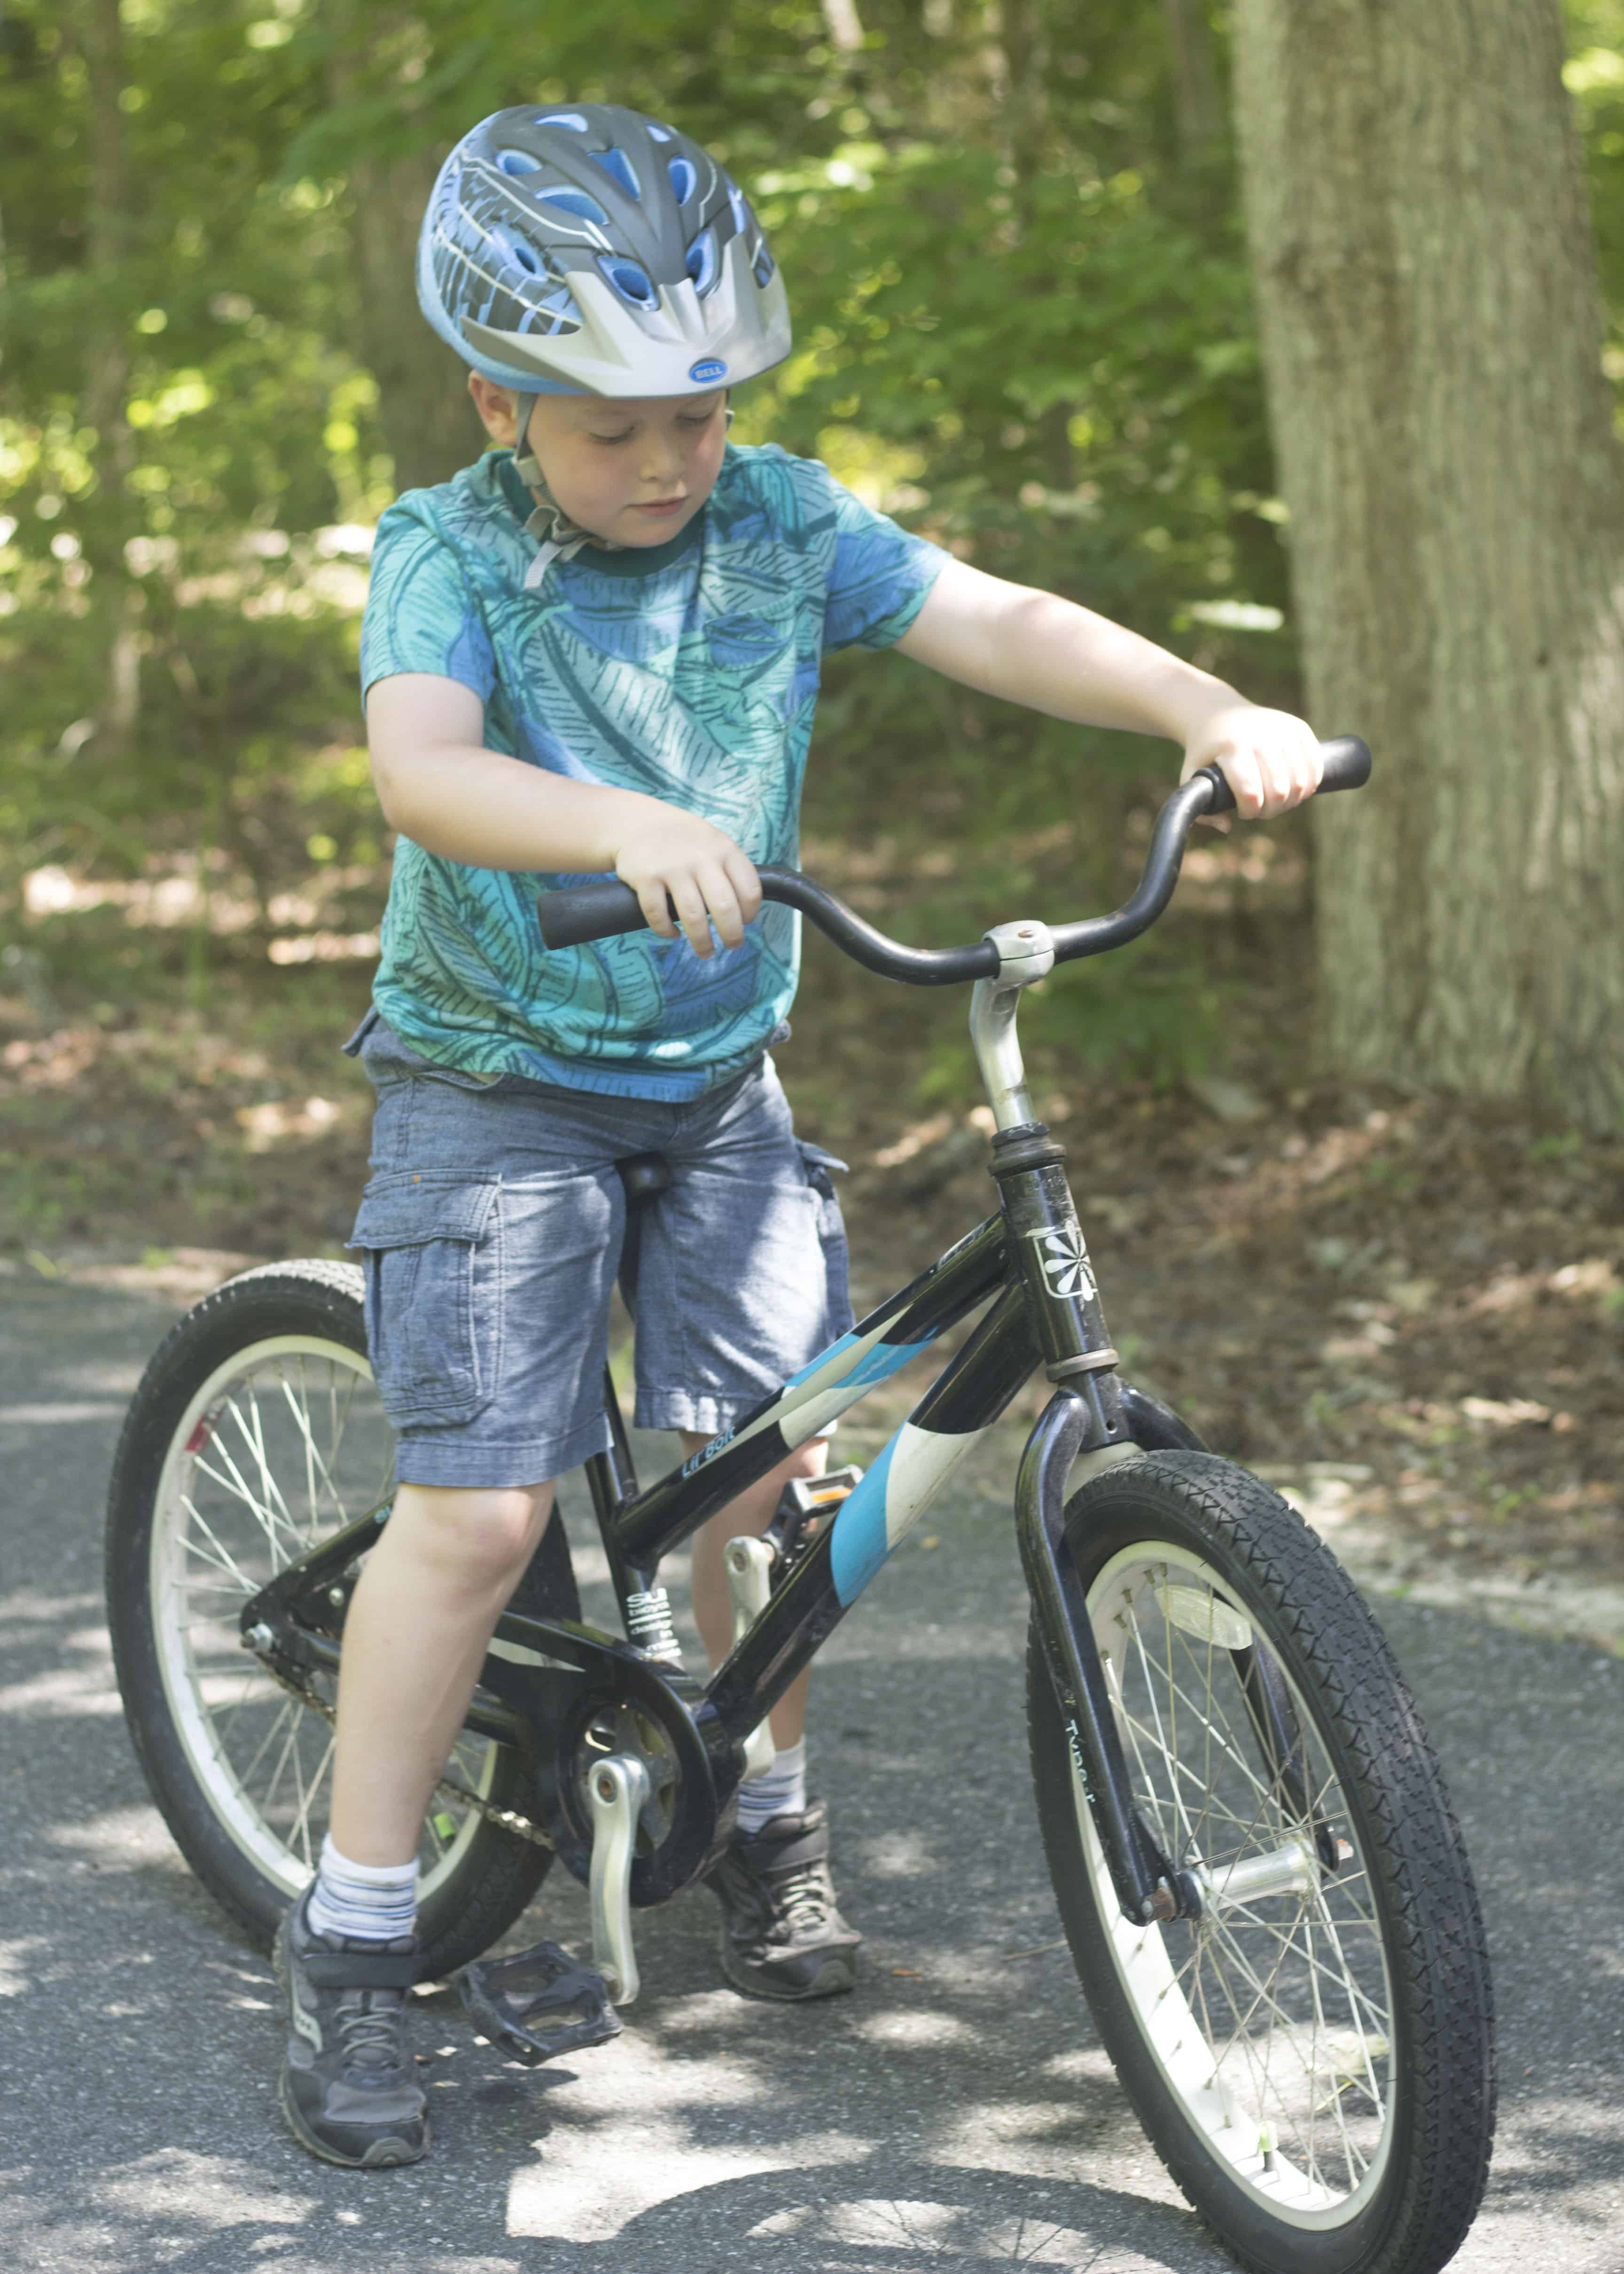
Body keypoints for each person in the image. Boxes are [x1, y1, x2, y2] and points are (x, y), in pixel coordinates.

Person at [275, 101, 1324, 2171]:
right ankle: (359, 1918)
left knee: (769, 1464)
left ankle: (762, 1808)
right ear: (498, 398)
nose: (671, 456)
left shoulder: (777, 522)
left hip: (717, 1072)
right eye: (611, 423)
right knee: (482, 1522)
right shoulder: (454, 547)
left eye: (702, 406)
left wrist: (1209, 708)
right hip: (498, 1079)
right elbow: (424, 767)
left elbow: (994, 615)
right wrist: (621, 823)